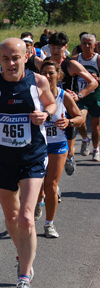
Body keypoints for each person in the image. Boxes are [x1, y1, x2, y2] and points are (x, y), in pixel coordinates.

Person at [0, 37, 56, 288]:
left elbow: (52, 105)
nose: (10, 63)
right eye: (5, 58)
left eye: (15, 58)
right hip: (2, 158)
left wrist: (46, 114)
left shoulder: (38, 81)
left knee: (27, 219)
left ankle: (24, 278)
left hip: (33, 156)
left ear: (26, 56)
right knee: (12, 217)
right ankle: (22, 253)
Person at [34, 60, 83, 238]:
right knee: (37, 185)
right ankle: (39, 202)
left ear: (58, 75)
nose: (47, 76)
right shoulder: (34, 95)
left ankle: (49, 224)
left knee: (51, 185)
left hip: (57, 145)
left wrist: (69, 122)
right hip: (37, 145)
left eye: (51, 73)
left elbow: (79, 117)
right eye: (44, 73)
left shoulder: (64, 96)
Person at [47, 32, 98, 174]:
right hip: (49, 108)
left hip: (67, 109)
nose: (56, 50)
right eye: (53, 47)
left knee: (68, 148)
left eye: (59, 47)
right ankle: (52, 183)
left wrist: (78, 95)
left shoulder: (71, 64)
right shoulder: (45, 63)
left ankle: (70, 157)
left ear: (65, 47)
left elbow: (93, 82)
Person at [73, 33, 100, 161]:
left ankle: (96, 149)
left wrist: (97, 79)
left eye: (90, 43)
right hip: (81, 97)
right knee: (80, 121)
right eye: (85, 43)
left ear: (95, 45)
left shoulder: (98, 59)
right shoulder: (75, 59)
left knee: (95, 127)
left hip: (96, 97)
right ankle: (84, 139)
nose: (87, 46)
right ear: (80, 45)